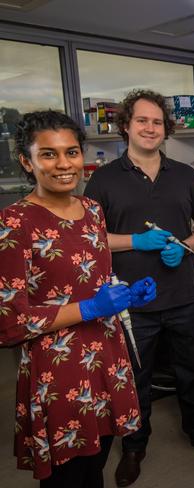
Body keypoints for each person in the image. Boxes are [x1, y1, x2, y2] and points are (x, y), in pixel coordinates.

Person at [84, 89, 194, 488]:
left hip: (183, 294)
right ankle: (134, 446)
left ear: (165, 128)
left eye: (156, 122)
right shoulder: (103, 179)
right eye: (141, 121)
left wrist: (185, 245)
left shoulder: (183, 174)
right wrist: (136, 241)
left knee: (191, 370)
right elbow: (90, 238)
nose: (150, 128)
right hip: (131, 301)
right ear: (127, 127)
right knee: (136, 377)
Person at [0, 110, 157, 487]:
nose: (63, 164)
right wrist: (89, 308)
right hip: (59, 368)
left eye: (71, 152)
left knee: (96, 464)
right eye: (48, 154)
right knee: (67, 476)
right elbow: (9, 323)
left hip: (105, 354)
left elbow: (87, 276)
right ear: (27, 161)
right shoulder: (14, 222)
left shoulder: (91, 211)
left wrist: (123, 294)